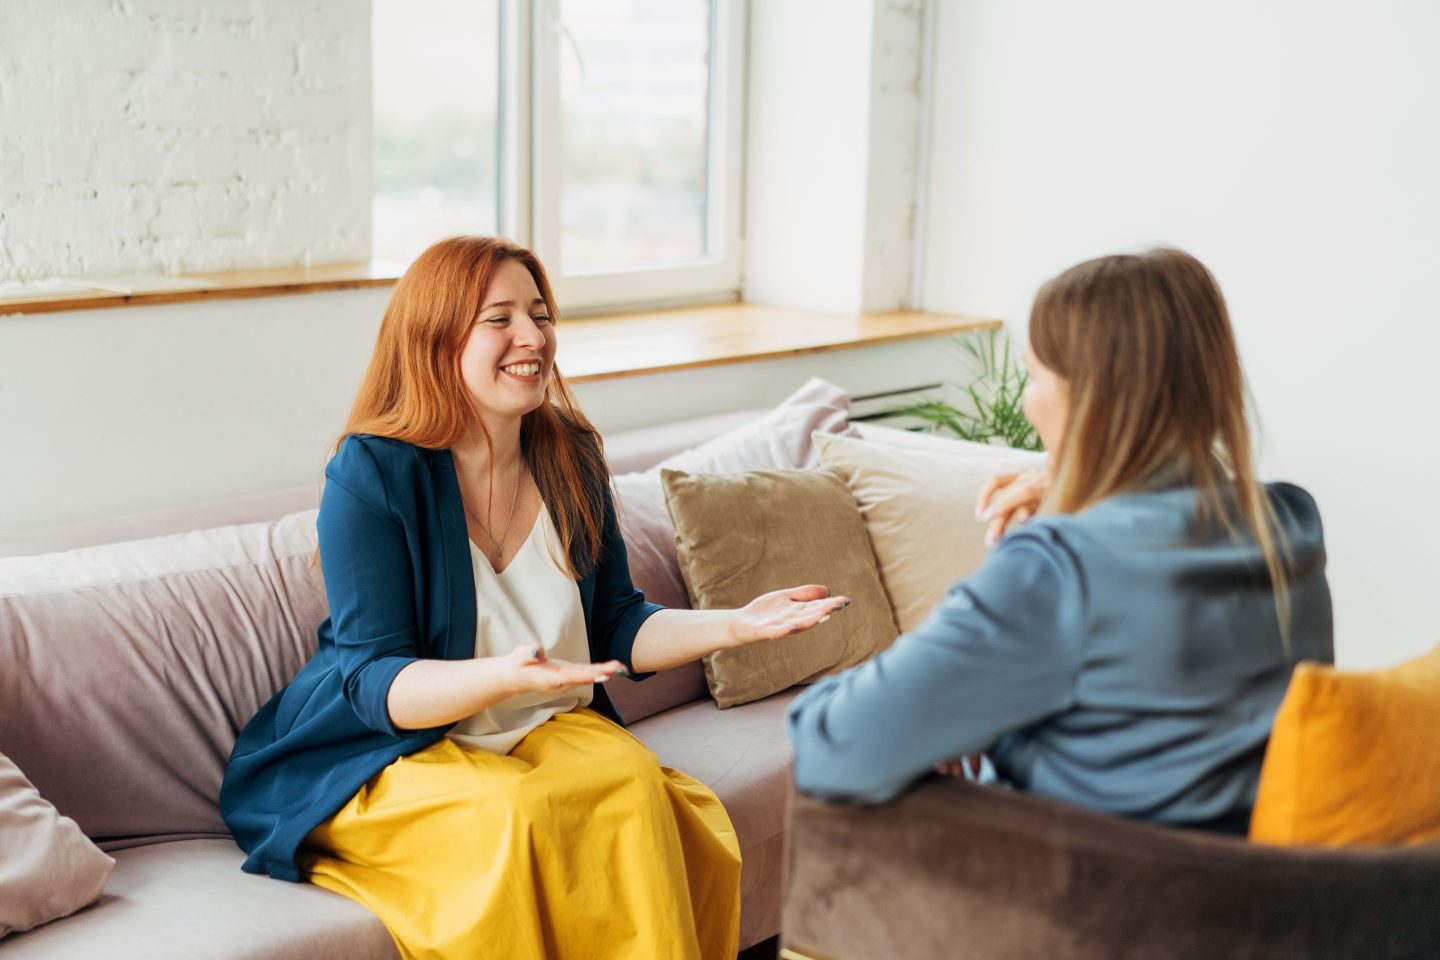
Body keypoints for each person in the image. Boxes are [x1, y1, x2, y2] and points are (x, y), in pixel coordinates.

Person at [220, 236, 848, 960]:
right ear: (436, 337)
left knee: (638, 790)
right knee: (515, 815)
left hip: (536, 726)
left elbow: (615, 623)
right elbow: (374, 682)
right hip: (393, 748)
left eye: (541, 315)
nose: (533, 338)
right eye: (500, 318)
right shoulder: (371, 475)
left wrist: (734, 626)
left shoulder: (569, 456)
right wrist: (504, 675)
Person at [786, 248, 1333, 834]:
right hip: (1264, 901)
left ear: (1090, 398)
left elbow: (830, 745)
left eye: (1034, 375)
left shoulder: (1062, 567)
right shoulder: (1288, 522)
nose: (1028, 399)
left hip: (1082, 906)